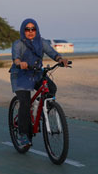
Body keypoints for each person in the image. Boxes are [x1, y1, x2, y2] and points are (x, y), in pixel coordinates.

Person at [9, 18, 69, 147]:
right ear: (23, 30)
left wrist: (60, 59)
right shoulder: (18, 44)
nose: (30, 32)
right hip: (20, 75)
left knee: (51, 88)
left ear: (36, 30)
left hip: (36, 73)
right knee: (25, 103)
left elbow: (52, 53)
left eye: (33, 29)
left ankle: (43, 113)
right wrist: (20, 63)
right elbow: (16, 58)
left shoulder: (42, 42)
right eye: (27, 29)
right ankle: (23, 134)